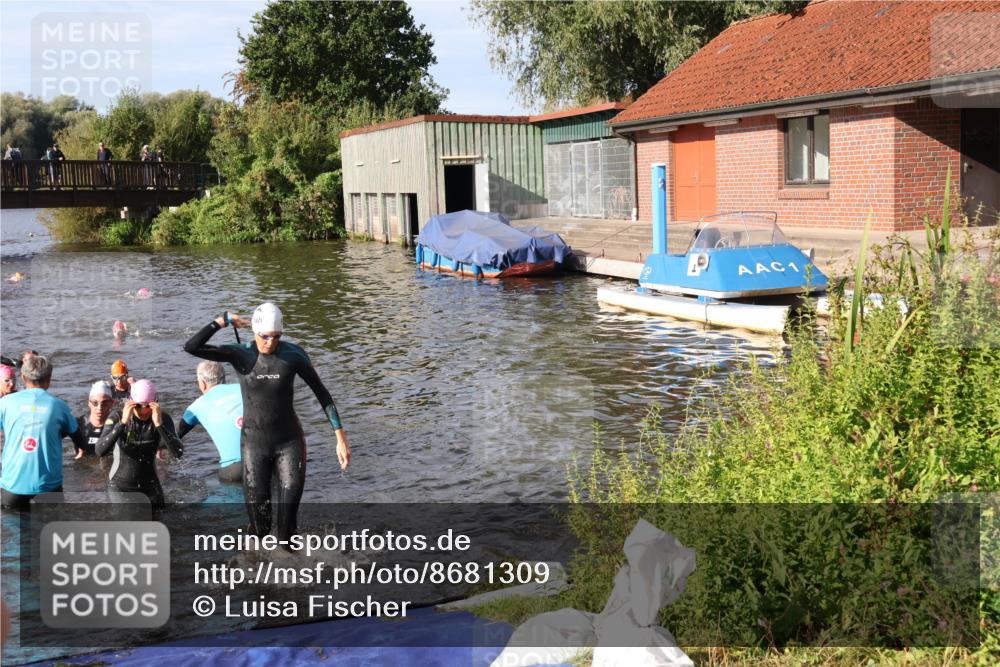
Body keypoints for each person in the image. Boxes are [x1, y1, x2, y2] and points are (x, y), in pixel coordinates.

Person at [184, 303, 350, 543]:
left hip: (289, 443)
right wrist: (221, 321)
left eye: (276, 337)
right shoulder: (240, 354)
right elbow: (191, 347)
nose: (270, 342)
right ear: (254, 331)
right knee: (259, 529)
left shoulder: (294, 355)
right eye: (264, 336)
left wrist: (340, 439)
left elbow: (322, 394)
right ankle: (258, 574)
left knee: (286, 531)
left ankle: (292, 573)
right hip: (253, 446)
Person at [0, 355, 86, 509]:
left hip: (12, 485)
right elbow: (77, 436)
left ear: (23, 377)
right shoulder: (59, 406)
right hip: (48, 487)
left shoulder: (5, 403)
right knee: (51, 530)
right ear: (49, 378)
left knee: (13, 530)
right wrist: (81, 448)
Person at [95, 379, 182, 508]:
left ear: (155, 403)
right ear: (131, 402)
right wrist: (123, 423)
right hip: (120, 488)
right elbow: (100, 450)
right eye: (138, 406)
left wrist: (159, 425)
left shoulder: (162, 419)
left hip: (150, 487)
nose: (143, 411)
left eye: (148, 406)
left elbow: (178, 453)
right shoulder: (117, 417)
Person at [177, 361, 244, 483]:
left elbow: (174, 436)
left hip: (234, 470)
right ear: (224, 379)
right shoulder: (245, 388)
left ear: (202, 383)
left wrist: (160, 447)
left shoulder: (196, 407)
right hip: (267, 462)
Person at [75, 381, 115, 459]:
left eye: (105, 403)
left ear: (112, 403)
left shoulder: (117, 426)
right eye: (95, 403)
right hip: (84, 469)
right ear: (89, 403)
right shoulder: (77, 424)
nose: (99, 408)